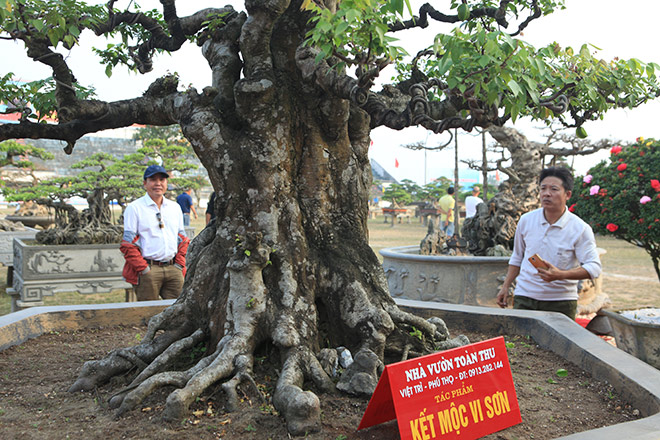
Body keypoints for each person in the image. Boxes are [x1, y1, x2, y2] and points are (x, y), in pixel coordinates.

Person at [496, 167, 602, 319]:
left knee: (559, 343)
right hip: (524, 298)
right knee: (520, 342)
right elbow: (517, 256)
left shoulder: (580, 229)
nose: (546, 193)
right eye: (543, 188)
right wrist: (506, 287)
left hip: (561, 302)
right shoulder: (526, 221)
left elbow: (594, 268)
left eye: (554, 189)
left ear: (568, 194)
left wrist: (560, 275)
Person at [120, 165, 190, 301]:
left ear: (166, 183)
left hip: (173, 268)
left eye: (162, 180)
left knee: (178, 313)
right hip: (149, 269)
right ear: (145, 183)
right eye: (153, 179)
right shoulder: (135, 208)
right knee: (148, 313)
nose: (158, 183)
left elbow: (183, 240)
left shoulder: (175, 208)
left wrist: (179, 265)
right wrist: (144, 269)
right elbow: (127, 244)